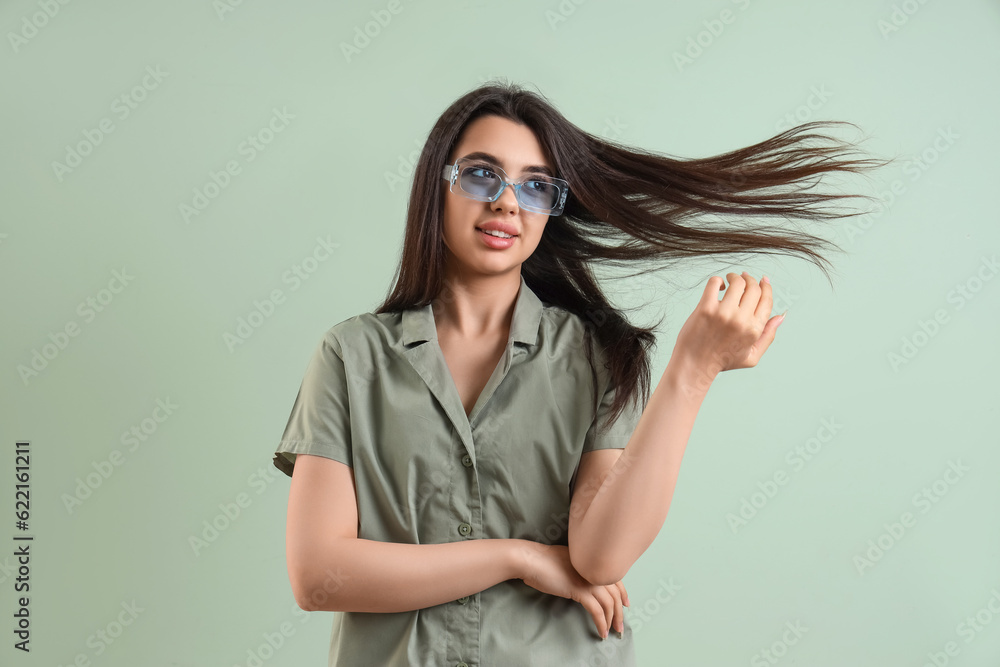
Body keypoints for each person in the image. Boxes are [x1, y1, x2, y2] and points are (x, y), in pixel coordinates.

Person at [271, 80, 889, 666]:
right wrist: (518, 557)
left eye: (536, 186)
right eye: (483, 174)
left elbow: (600, 557)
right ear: (440, 185)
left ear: (550, 210)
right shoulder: (351, 356)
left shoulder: (598, 357)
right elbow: (319, 574)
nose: (508, 201)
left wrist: (693, 371)